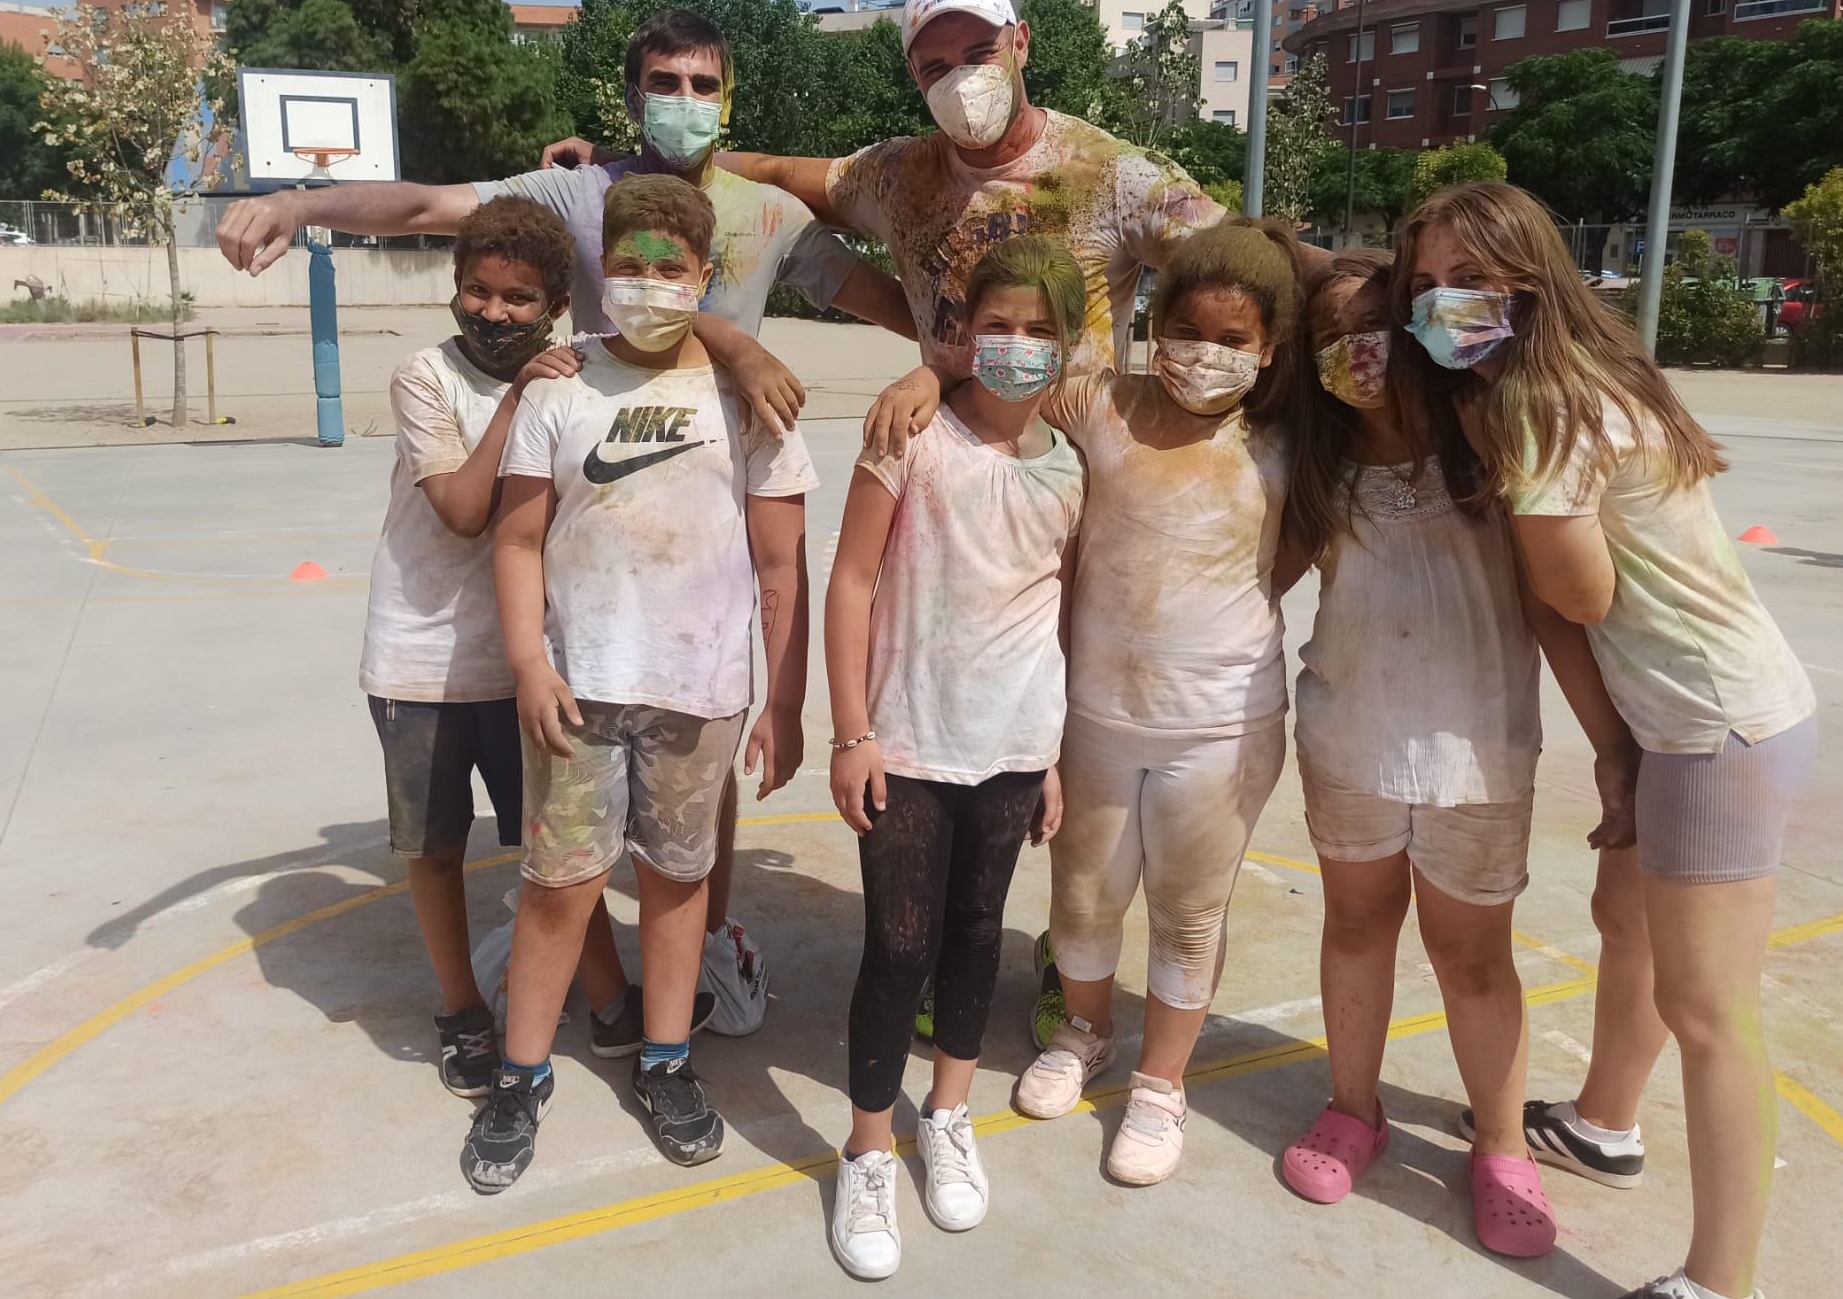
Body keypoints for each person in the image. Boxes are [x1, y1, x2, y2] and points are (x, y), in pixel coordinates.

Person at [217, 10, 893, 1034]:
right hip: (589, 516)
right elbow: (429, 205)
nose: (683, 100)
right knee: (575, 765)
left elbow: (880, 294)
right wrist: (300, 201)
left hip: (702, 520)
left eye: (703, 84)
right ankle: (564, 949)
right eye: (663, 81)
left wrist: (962, 361)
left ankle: (709, 938)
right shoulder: (577, 192)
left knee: (701, 758)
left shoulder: (768, 214)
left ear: (729, 98)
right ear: (630, 94)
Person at [1393, 181, 1818, 1299]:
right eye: (1424, 283)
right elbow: (1560, 609)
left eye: (1468, 280)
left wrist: (1521, 488)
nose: (1440, 303)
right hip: (1680, 722)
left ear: (1529, 282)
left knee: (1709, 1011)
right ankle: (1603, 1125)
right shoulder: (1569, 378)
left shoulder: (1544, 407)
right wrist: (1614, 751)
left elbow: (1575, 596)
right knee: (1625, 921)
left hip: (1715, 725)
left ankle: (1720, 1280)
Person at [467, 175, 815, 1194]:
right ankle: (520, 1074)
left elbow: (782, 565)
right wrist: (529, 661)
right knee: (559, 886)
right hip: (577, 690)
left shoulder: (748, 397)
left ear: (704, 277)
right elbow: (517, 537)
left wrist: (782, 702)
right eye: (629, 263)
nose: (648, 281)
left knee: (677, 882)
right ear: (599, 269)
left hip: (698, 693)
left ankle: (666, 1059)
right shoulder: (559, 387)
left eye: (671, 267)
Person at [1275, 249, 1627, 1256]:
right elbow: (1249, 576)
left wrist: (1610, 745)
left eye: (1373, 326)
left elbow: (1553, 612)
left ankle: (1503, 1145)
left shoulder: (1492, 446)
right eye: (1329, 336)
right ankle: (1354, 1107)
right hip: (1347, 739)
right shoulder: (1315, 464)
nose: (1355, 350)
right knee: (1355, 924)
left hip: (1478, 750)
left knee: (1472, 956)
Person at [976, 221, 1300, 1189]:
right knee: (1083, 893)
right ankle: (1085, 1032)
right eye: (1186, 330)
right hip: (1094, 714)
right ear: (1154, 329)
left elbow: (1291, 556)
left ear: (1268, 351)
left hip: (1220, 722)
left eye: (1234, 339)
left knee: (1188, 911)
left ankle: (1161, 1083)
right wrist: (918, 381)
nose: (1205, 353)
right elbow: (995, 381)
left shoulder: (1287, 439)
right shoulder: (1100, 401)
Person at [545, 0, 1228, 380]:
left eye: (979, 53)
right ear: (913, 74)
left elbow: (1245, 267)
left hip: (1076, 476)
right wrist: (620, 162)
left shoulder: (1115, 176)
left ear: (1020, 43)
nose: (961, 80)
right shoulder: (898, 175)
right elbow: (774, 169)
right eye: (936, 66)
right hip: (949, 461)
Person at [823, 237, 1080, 1280]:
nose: (1015, 345)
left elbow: (1053, 611)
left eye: (1039, 330)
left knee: (978, 933)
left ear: (1069, 345)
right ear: (963, 332)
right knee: (898, 946)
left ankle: (948, 1113)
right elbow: (850, 580)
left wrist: (1049, 754)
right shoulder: (911, 435)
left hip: (1013, 744)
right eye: (997, 325)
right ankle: (866, 1151)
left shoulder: (1070, 466)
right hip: (909, 740)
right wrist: (851, 730)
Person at [360, 195, 628, 1096]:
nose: (495, 311)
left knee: (557, 846)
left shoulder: (578, 375)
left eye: (519, 298)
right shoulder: (425, 377)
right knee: (435, 846)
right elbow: (466, 510)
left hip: (532, 663)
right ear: (455, 285)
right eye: (479, 289)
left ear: (555, 303)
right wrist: (519, 397)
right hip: (420, 658)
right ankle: (462, 1010)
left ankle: (612, 1000)